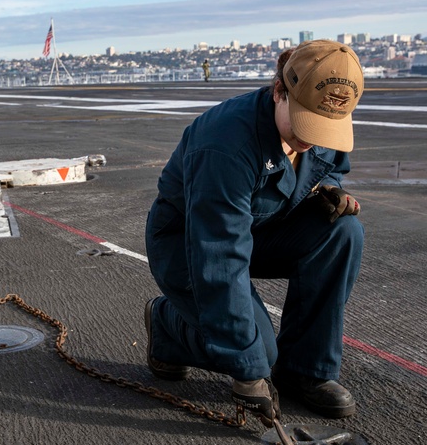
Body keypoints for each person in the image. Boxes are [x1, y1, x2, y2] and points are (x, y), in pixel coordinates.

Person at [144, 39, 364, 425]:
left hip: (261, 227)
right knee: (256, 350)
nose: (313, 138)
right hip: (191, 241)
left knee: (343, 231)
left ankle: (305, 370)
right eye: (305, 121)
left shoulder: (323, 116)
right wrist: (248, 371)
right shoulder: (225, 145)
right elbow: (219, 254)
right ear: (279, 91)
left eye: (324, 126)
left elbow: (331, 165)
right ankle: (167, 324)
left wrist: (331, 189)